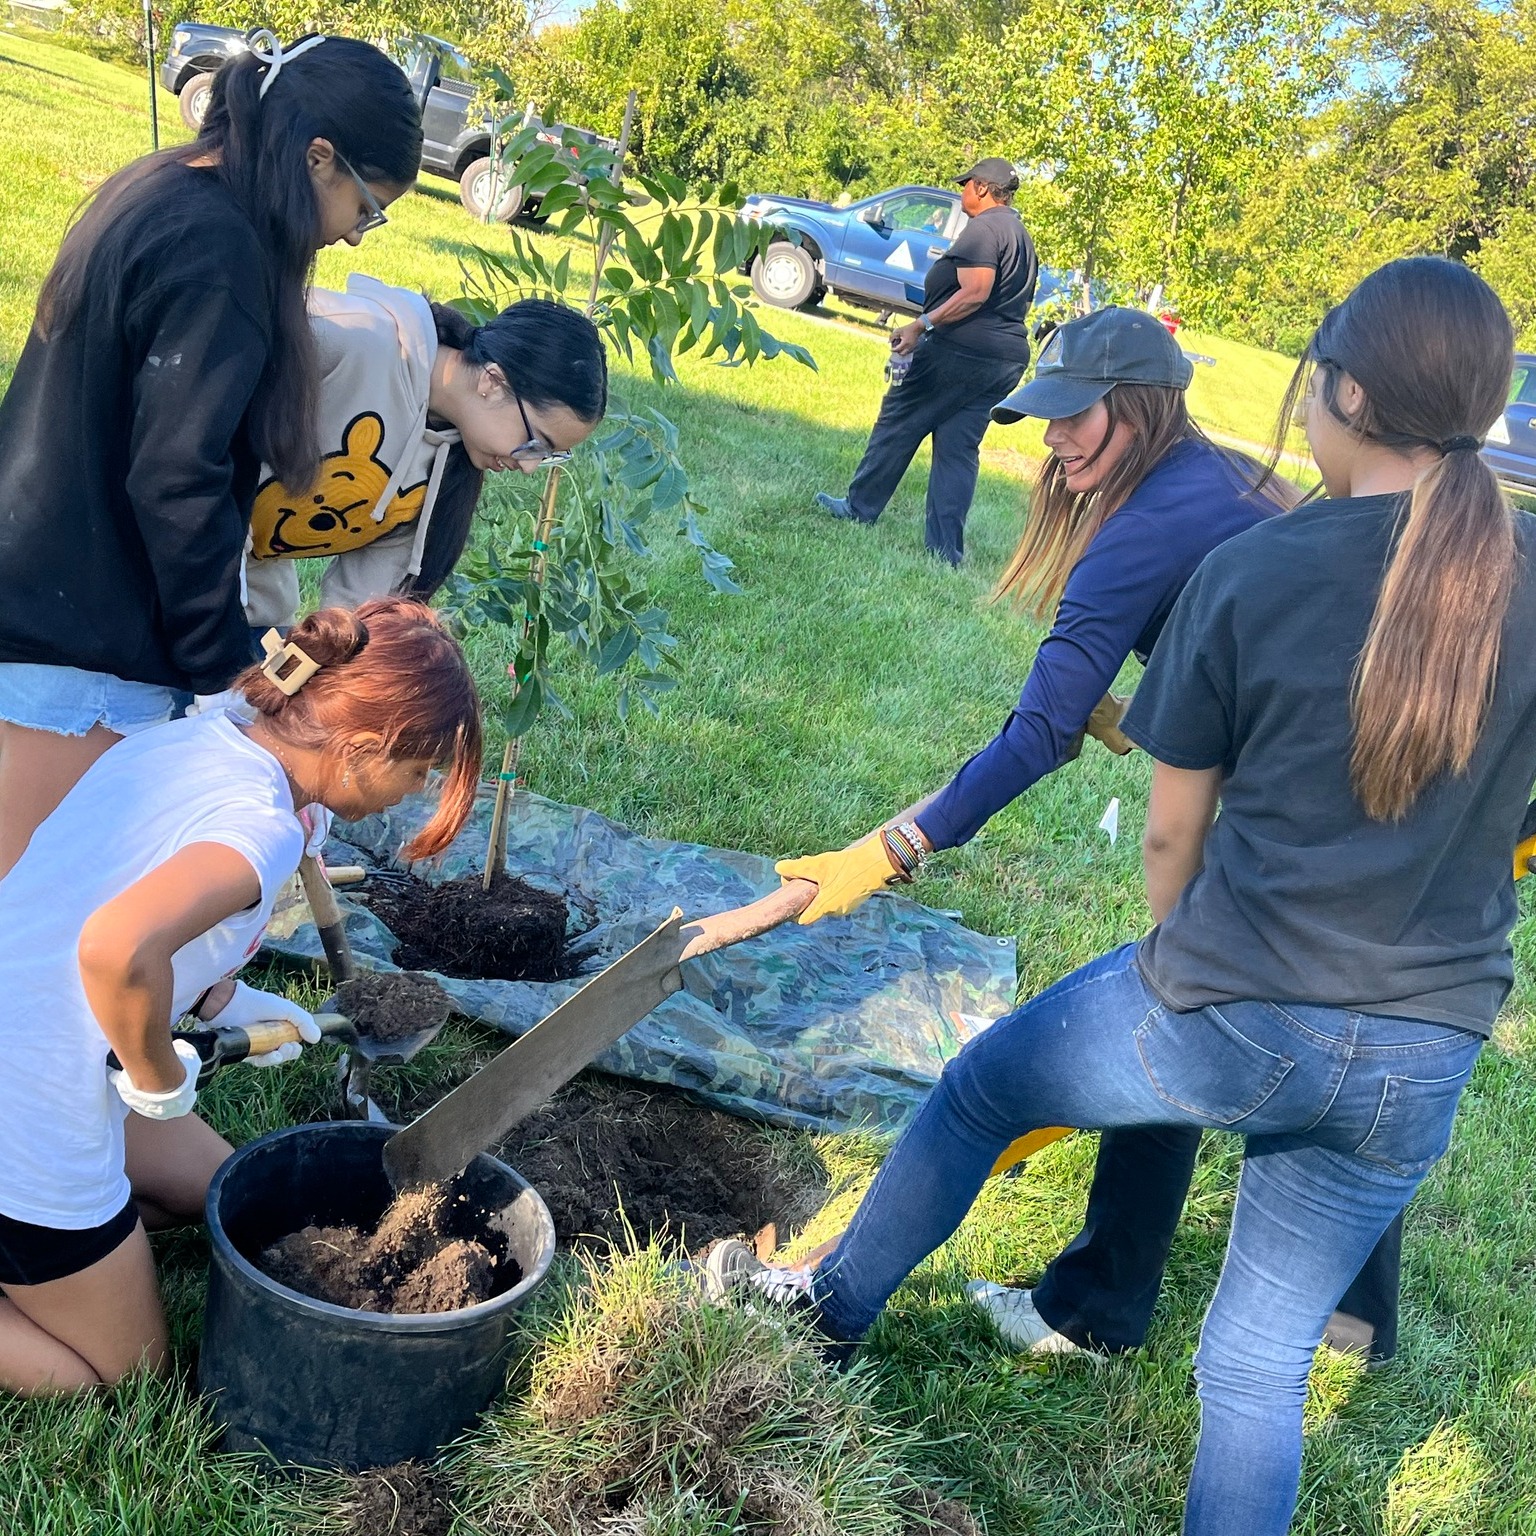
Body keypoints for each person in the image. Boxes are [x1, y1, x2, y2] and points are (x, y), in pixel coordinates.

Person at [710, 256, 1529, 1536]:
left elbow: (1170, 837)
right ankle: (1192, 1307)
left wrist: (1168, 979)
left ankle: (827, 1308)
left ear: (1350, 395)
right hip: (1428, 1053)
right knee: (1254, 1369)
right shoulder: (1507, 570)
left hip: (1240, 1001)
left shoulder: (1248, 570)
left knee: (988, 1086)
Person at [0, 597, 481, 1396]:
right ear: (361, 747)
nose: (417, 791)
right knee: (124, 1380)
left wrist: (225, 1001)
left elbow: (128, 894)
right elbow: (115, 947)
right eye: (420, 770)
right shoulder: (260, 826)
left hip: (39, 1036)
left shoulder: (216, 727)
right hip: (30, 1095)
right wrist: (155, 1075)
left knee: (231, 1200)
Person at [0, 32, 422, 881]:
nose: (354, 240)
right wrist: (223, 666)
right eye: (368, 208)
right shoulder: (219, 253)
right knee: (30, 914)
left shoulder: (165, 189)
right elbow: (176, 477)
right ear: (316, 158)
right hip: (78, 646)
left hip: (44, 591)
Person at [242, 284, 609, 629]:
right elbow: (200, 417)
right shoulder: (350, 339)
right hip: (194, 552)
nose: (529, 467)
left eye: (547, 456)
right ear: (493, 383)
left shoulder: (447, 468)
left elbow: (357, 611)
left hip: (254, 607)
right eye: (535, 443)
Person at [813, 157, 1037, 566]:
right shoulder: (1019, 233)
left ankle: (859, 507)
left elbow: (976, 292)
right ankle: (944, 551)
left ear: (983, 189)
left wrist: (922, 325)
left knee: (898, 421)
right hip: (1003, 360)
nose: (962, 191)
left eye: (966, 185)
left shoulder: (986, 228)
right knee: (957, 448)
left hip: (959, 351)